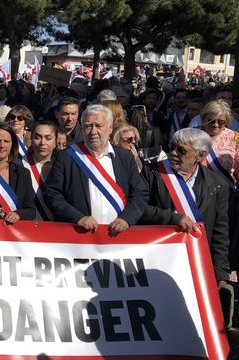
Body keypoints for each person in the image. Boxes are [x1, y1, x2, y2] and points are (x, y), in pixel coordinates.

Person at [141, 128, 230, 288]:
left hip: (196, 260)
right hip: (159, 259)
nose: (173, 153)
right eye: (172, 147)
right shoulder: (152, 173)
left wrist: (220, 273)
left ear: (200, 155)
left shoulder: (217, 185)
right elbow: (139, 208)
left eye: (181, 150)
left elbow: (220, 232)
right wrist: (173, 218)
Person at [44, 104, 148, 234]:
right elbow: (52, 193)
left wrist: (126, 219)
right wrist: (78, 218)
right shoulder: (67, 156)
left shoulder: (125, 157)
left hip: (119, 237)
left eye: (98, 126)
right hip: (80, 236)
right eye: (88, 126)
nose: (93, 132)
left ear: (110, 128)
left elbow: (140, 194)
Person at [21, 120, 57, 220]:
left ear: (55, 142)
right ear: (31, 140)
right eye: (37, 137)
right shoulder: (18, 164)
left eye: (48, 138)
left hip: (57, 227)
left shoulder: (64, 167)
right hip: (26, 226)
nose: (42, 143)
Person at [199, 100, 239, 186]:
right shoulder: (192, 136)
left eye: (221, 122)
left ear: (227, 121)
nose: (216, 125)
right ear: (203, 119)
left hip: (226, 191)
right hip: (198, 189)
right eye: (211, 121)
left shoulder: (235, 138)